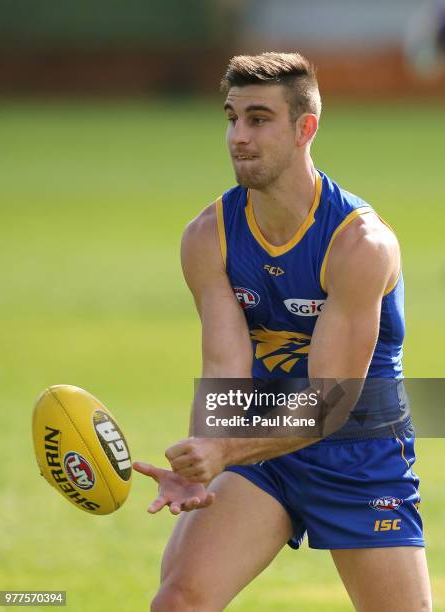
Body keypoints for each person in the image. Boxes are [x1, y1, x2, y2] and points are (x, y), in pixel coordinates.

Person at [134, 52, 432, 611]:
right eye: (231, 118)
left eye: (259, 118)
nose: (238, 136)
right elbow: (226, 370)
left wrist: (223, 451)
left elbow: (330, 405)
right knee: (178, 601)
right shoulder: (209, 236)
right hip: (262, 448)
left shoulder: (358, 244)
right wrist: (205, 453)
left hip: (360, 451)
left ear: (305, 128)